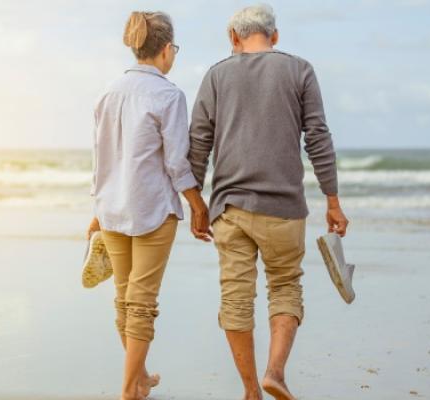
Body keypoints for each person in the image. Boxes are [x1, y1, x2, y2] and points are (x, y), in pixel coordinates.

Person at [188, 4, 349, 400]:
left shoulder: (216, 75)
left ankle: (249, 391)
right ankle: (274, 372)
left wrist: (196, 203)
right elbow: (318, 139)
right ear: (274, 37)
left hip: (230, 209)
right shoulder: (299, 70)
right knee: (285, 286)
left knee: (236, 296)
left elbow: (197, 145)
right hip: (284, 208)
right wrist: (332, 199)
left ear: (233, 39)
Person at [86, 11, 211, 400]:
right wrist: (196, 203)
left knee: (124, 299)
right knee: (141, 304)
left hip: (111, 208)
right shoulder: (168, 94)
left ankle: (138, 380)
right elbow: (176, 162)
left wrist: (96, 208)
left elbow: (100, 158)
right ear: (167, 49)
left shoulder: (108, 92)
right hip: (152, 210)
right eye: (175, 48)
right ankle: (129, 390)